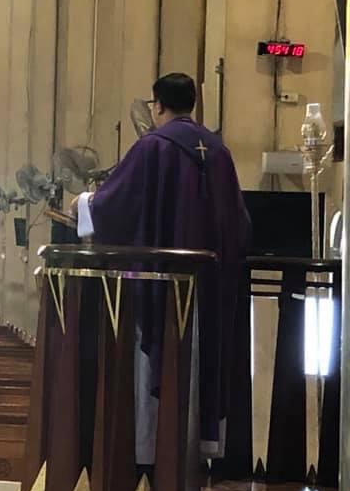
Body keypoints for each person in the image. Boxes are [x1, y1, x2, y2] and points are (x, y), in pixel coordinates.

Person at [72, 73, 250, 467]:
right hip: (209, 286)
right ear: (193, 104)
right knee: (204, 353)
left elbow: (115, 204)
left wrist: (82, 203)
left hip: (161, 288)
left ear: (158, 106)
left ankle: (154, 457)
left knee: (158, 354)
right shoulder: (218, 151)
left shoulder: (152, 146)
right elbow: (240, 222)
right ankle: (199, 450)